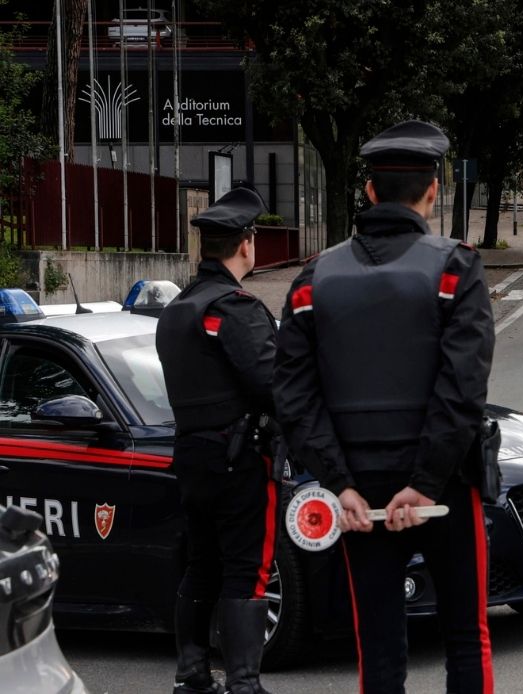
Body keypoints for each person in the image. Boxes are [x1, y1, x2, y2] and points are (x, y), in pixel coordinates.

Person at [273, 120, 495, 694]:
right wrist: (424, 483)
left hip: (358, 496)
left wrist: (340, 483)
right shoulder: (456, 269)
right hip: (444, 490)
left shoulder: (311, 280)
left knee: (377, 645)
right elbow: (462, 389)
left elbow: (295, 398)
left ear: (368, 192)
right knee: (466, 638)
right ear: (434, 190)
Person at [156, 187, 279, 694]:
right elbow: (272, 385)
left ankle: (192, 675)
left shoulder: (176, 310)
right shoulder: (238, 307)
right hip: (239, 459)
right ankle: (244, 683)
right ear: (247, 244)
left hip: (192, 457)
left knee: (202, 564)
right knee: (247, 569)